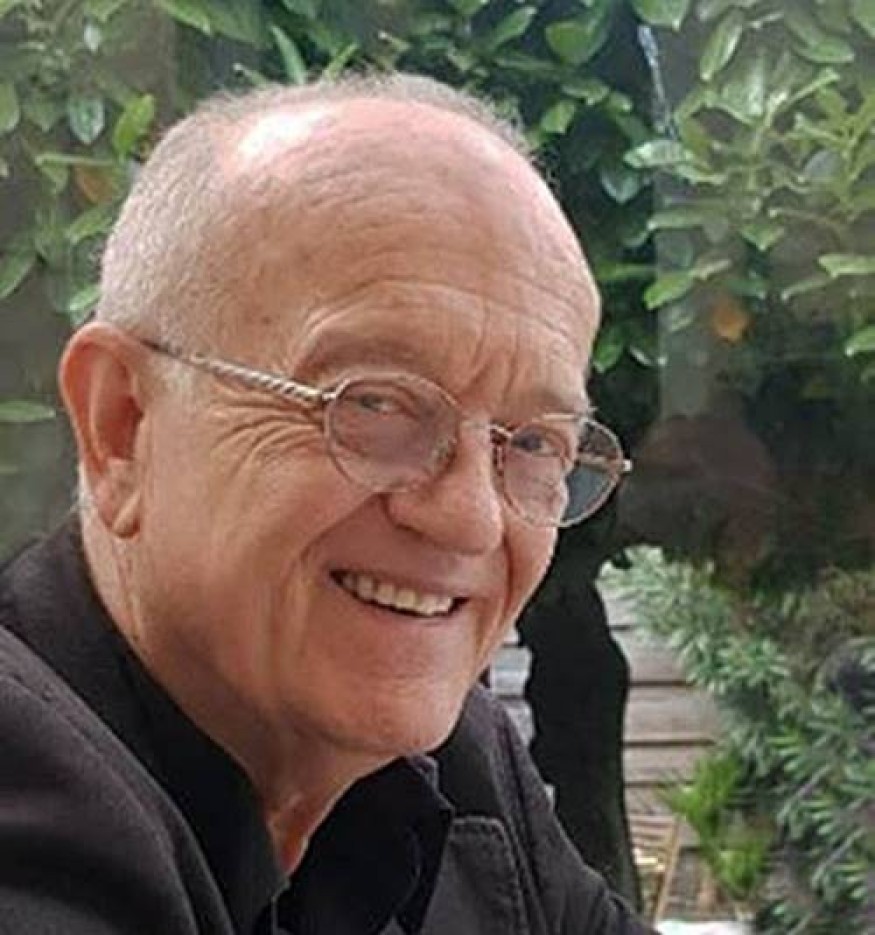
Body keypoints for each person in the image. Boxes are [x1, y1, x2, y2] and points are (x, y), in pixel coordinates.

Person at [0, 75, 651, 934]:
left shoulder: (461, 767)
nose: (471, 519)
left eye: (533, 443)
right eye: (373, 403)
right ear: (122, 425)